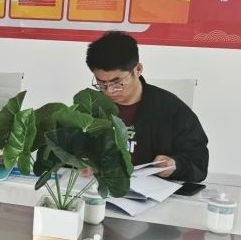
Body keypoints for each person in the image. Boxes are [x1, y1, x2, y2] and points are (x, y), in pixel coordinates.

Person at [86, 31, 208, 182]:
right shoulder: (90, 107)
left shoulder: (171, 109)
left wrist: (175, 165)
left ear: (138, 69)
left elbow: (198, 161)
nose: (109, 91)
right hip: (97, 188)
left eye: (117, 83)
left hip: (153, 192)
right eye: (101, 83)